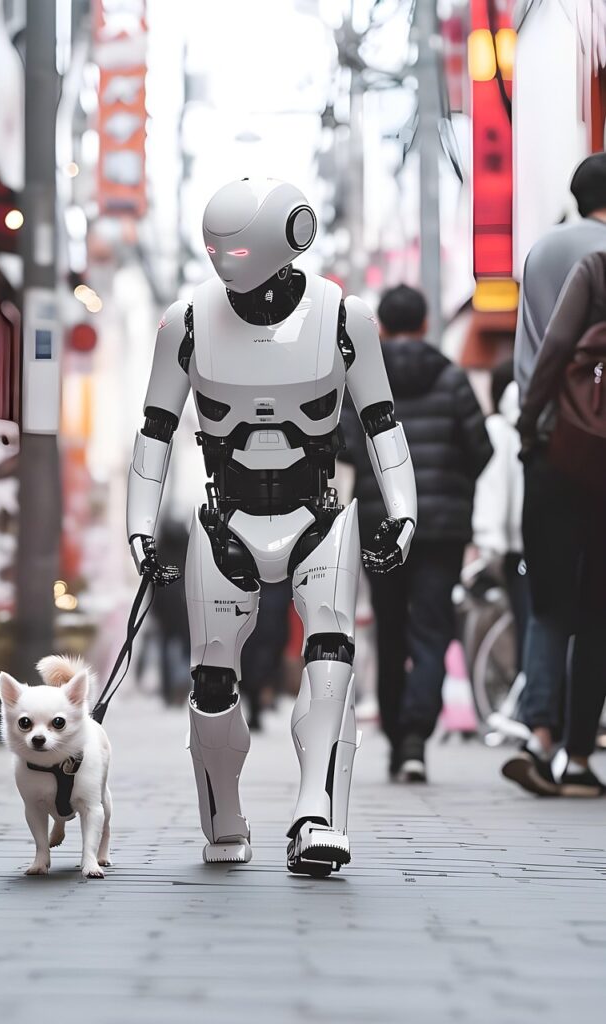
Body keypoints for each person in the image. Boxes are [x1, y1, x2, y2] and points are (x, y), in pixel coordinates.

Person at [126, 179, 417, 876]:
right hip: (224, 518)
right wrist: (139, 526)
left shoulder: (345, 317)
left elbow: (380, 418)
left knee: (330, 660)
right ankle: (223, 820)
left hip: (317, 514)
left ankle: (315, 814)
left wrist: (403, 508)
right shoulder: (186, 321)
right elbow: (155, 430)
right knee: (211, 681)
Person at [340, 285, 492, 782]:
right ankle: (414, 740)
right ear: (426, 323)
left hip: (380, 523)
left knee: (389, 627)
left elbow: (340, 443)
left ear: (379, 327)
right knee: (432, 628)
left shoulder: (363, 379)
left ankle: (394, 734)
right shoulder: (451, 378)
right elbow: (482, 448)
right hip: (441, 525)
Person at [502, 153, 606, 791]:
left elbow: (533, 348)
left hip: (553, 445)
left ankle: (538, 737)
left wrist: (528, 424)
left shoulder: (542, 253)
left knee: (546, 602)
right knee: (598, 605)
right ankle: (580, 756)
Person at [471, 360, 530, 672]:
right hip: (547, 539)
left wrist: (489, 549)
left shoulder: (496, 428)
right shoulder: (539, 420)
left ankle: (528, 699)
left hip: (515, 548)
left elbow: (492, 492)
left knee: (526, 623)